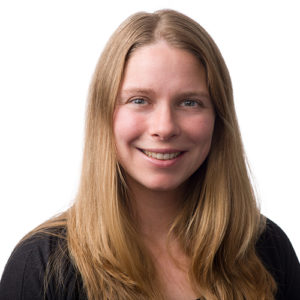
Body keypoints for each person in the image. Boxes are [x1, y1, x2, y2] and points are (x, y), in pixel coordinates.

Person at [0, 9, 299, 300]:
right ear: (104, 115)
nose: (164, 127)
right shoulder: (40, 264)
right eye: (139, 100)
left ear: (218, 119)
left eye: (190, 103)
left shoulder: (267, 249)